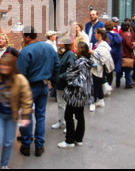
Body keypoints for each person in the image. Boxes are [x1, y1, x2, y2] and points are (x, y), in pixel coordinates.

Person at [0, 54, 33, 169]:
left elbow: (26, 98)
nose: (4, 67)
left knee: (8, 143)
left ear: (12, 67)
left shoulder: (19, 80)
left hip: (12, 115)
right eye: (2, 65)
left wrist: (25, 115)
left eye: (7, 65)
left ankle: (4, 164)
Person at [17, 26, 60, 157]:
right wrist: (52, 80)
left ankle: (25, 146)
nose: (23, 39)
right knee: (40, 116)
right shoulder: (49, 48)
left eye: (23, 36)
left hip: (28, 87)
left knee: (26, 116)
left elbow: (19, 73)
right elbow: (57, 65)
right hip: (43, 86)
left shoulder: (25, 51)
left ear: (27, 37)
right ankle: (39, 146)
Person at [58, 42, 93, 149]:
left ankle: (69, 141)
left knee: (68, 116)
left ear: (81, 50)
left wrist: (65, 78)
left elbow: (71, 75)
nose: (75, 48)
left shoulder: (80, 62)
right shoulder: (87, 62)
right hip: (83, 94)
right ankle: (79, 138)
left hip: (76, 94)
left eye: (77, 47)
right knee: (80, 116)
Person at [51, 35, 76, 130]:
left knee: (68, 105)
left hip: (66, 84)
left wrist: (60, 77)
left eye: (60, 41)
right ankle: (61, 121)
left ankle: (69, 124)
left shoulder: (70, 54)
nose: (58, 42)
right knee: (60, 104)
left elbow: (72, 70)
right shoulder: (59, 53)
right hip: (59, 84)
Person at [90, 28, 114, 110]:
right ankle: (101, 100)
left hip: (99, 69)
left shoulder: (103, 45)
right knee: (98, 84)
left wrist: (92, 52)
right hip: (97, 68)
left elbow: (102, 57)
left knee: (96, 85)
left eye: (95, 33)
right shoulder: (98, 43)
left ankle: (93, 102)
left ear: (99, 35)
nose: (94, 35)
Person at [105, 21, 122, 93]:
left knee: (108, 71)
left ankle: (108, 85)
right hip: (117, 54)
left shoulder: (106, 35)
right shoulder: (117, 35)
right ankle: (117, 81)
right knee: (117, 68)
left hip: (109, 54)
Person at [119, 22, 135, 89]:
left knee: (120, 69)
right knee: (127, 70)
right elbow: (128, 44)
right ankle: (128, 83)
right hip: (127, 54)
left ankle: (118, 81)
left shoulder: (120, 34)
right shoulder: (128, 34)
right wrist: (133, 45)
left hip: (121, 53)